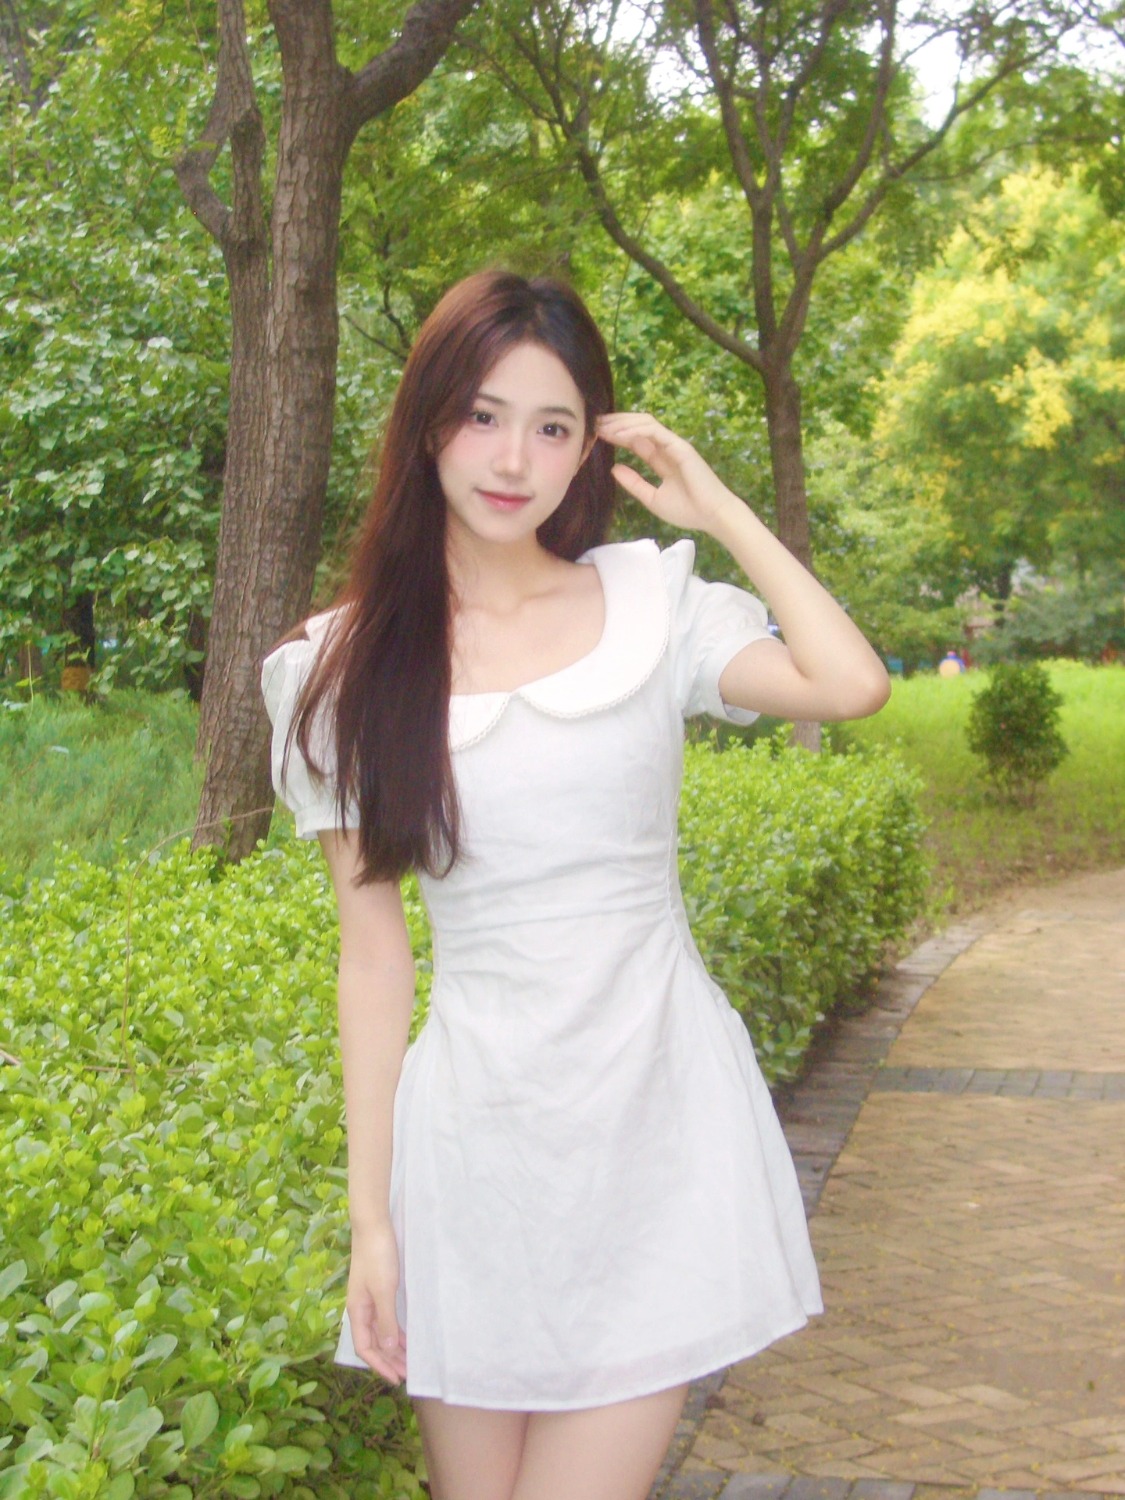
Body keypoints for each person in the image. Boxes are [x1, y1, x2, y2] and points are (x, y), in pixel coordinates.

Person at [261, 269, 890, 1500]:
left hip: (655, 1131)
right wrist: (374, 1223)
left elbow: (848, 683)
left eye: (553, 427)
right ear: (428, 423)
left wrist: (721, 511)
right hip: (475, 1150)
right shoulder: (335, 669)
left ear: (588, 447)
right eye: (484, 415)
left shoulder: (652, 604)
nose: (515, 459)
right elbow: (375, 957)